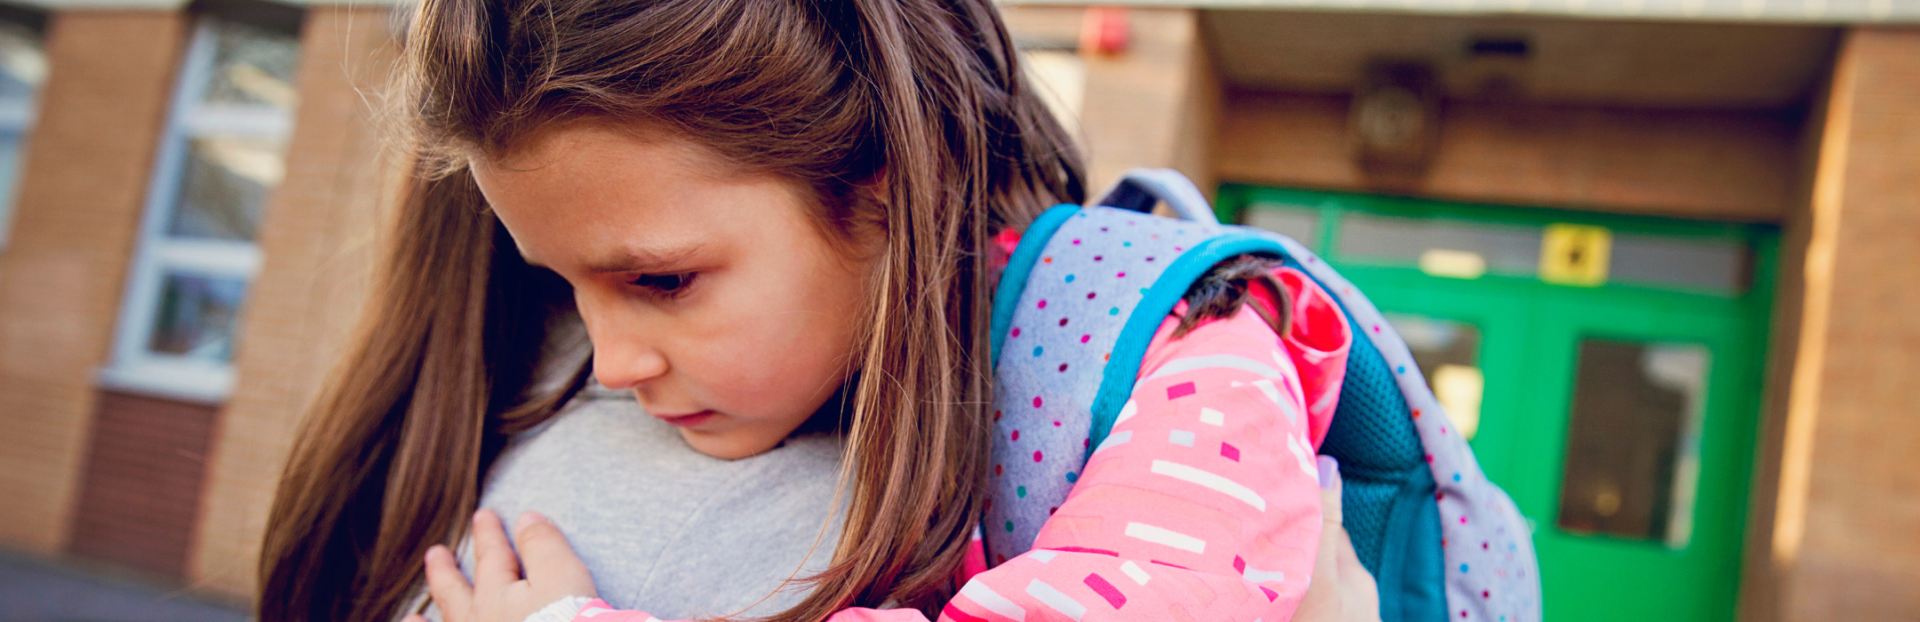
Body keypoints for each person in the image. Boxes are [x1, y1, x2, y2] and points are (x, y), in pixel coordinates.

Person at [257, 0, 1384, 621]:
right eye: (564, 288)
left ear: (888, 191)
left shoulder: (1198, 368)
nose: (608, 364)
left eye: (661, 281)